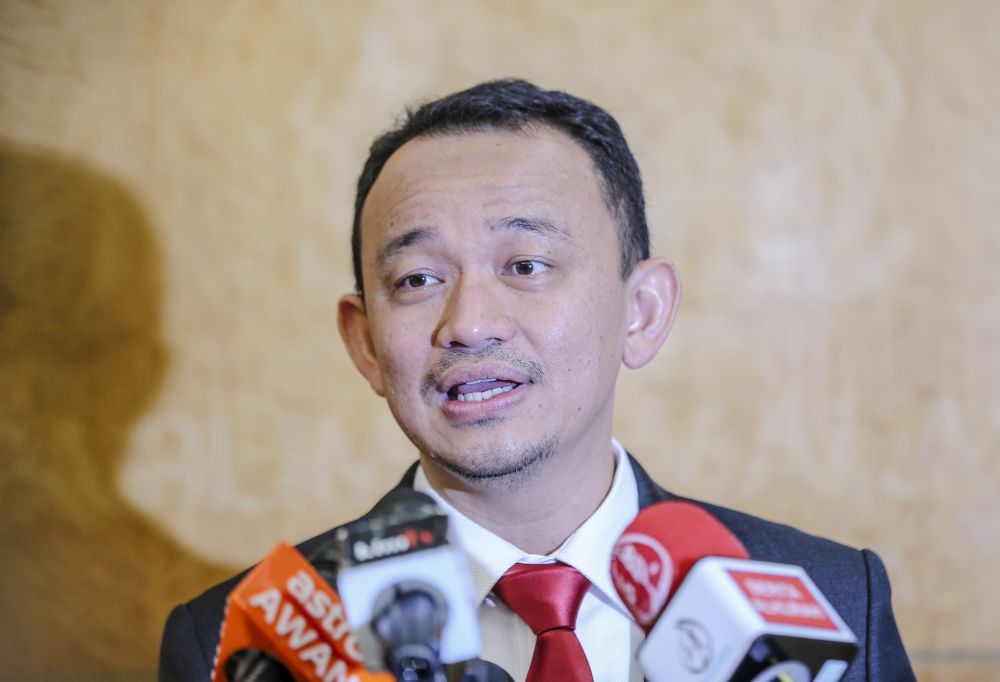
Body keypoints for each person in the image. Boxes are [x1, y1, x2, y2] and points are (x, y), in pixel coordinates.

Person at [160, 79, 915, 681]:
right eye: (418, 278)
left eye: (526, 265)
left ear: (642, 311)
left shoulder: (830, 601)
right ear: (364, 344)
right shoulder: (253, 645)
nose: (468, 323)